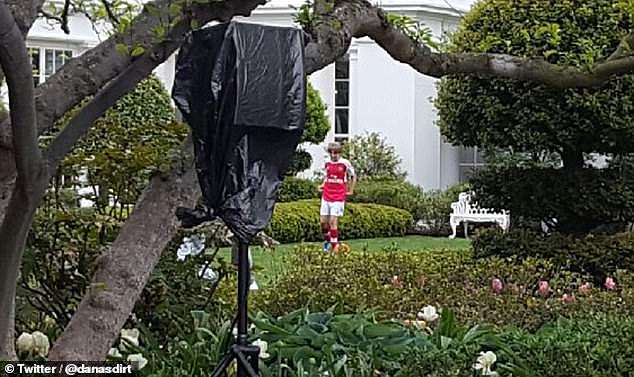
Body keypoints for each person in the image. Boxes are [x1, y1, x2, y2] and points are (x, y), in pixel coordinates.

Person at [319, 142, 356, 252]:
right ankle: (329, 241)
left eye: (336, 153)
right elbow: (327, 177)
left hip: (338, 196)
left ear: (340, 153)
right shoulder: (327, 163)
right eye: (331, 153)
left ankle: (335, 248)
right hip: (326, 195)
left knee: (333, 221)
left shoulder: (345, 163)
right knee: (323, 223)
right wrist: (322, 185)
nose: (333, 155)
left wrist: (351, 190)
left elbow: (353, 176)